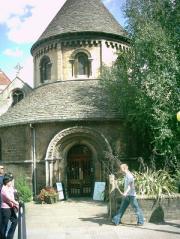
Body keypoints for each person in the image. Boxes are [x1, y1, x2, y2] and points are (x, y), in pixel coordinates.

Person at [0, 174, 19, 239]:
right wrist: (17, 203)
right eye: (10, 181)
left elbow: (14, 191)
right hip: (5, 209)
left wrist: (15, 191)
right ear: (7, 182)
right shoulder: (3, 190)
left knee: (15, 221)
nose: (11, 182)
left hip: (11, 208)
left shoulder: (10, 187)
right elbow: (10, 199)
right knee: (4, 225)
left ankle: (9, 237)